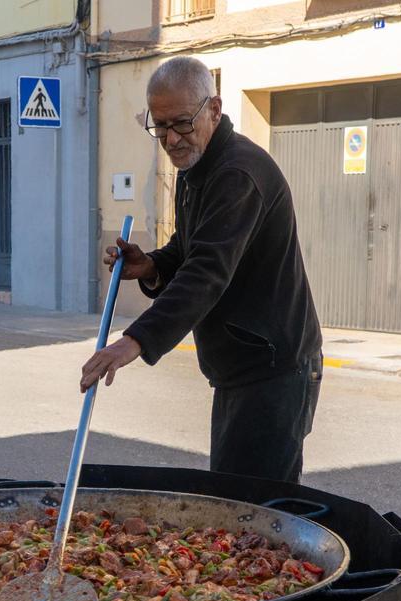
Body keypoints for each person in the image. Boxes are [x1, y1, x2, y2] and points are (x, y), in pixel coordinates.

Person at [79, 56, 323, 484]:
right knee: (232, 497)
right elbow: (189, 246)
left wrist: (136, 340)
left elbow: (207, 272)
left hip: (274, 370)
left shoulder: (237, 173)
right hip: (239, 368)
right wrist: (151, 265)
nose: (171, 139)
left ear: (214, 109)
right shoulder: (197, 166)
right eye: (160, 127)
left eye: (181, 123)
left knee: (254, 506)